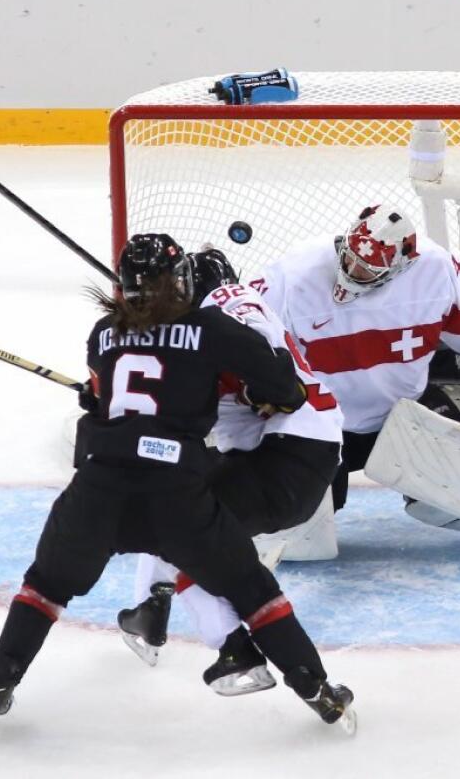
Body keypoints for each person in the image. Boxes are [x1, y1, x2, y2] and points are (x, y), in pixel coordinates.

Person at [0, 234, 354, 737]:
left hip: (97, 489)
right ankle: (316, 689)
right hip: (176, 496)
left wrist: (96, 395)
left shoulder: (102, 333)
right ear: (177, 282)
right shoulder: (207, 326)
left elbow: (105, 399)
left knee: (45, 586)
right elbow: (285, 388)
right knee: (250, 588)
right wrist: (268, 392)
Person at [116, 247, 344, 696]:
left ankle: (232, 647)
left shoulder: (214, 322)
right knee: (173, 507)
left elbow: (270, 379)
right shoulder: (243, 304)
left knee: (183, 525)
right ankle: (151, 611)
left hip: (280, 455)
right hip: (309, 454)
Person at [248, 204, 460, 524]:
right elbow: (238, 326)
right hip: (318, 425)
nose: (352, 272)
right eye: (350, 259)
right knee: (294, 524)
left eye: (367, 269)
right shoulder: (293, 274)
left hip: (403, 416)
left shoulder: (435, 269)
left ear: (402, 265)